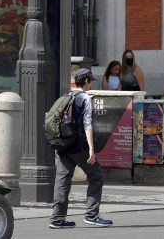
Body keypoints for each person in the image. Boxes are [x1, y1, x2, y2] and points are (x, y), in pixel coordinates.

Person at [49, 68, 113, 229]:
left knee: (62, 180)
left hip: (63, 145)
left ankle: (57, 218)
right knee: (96, 175)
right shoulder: (84, 98)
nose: (91, 84)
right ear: (85, 81)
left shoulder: (66, 96)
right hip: (78, 146)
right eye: (90, 81)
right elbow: (87, 124)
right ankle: (92, 215)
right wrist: (91, 149)